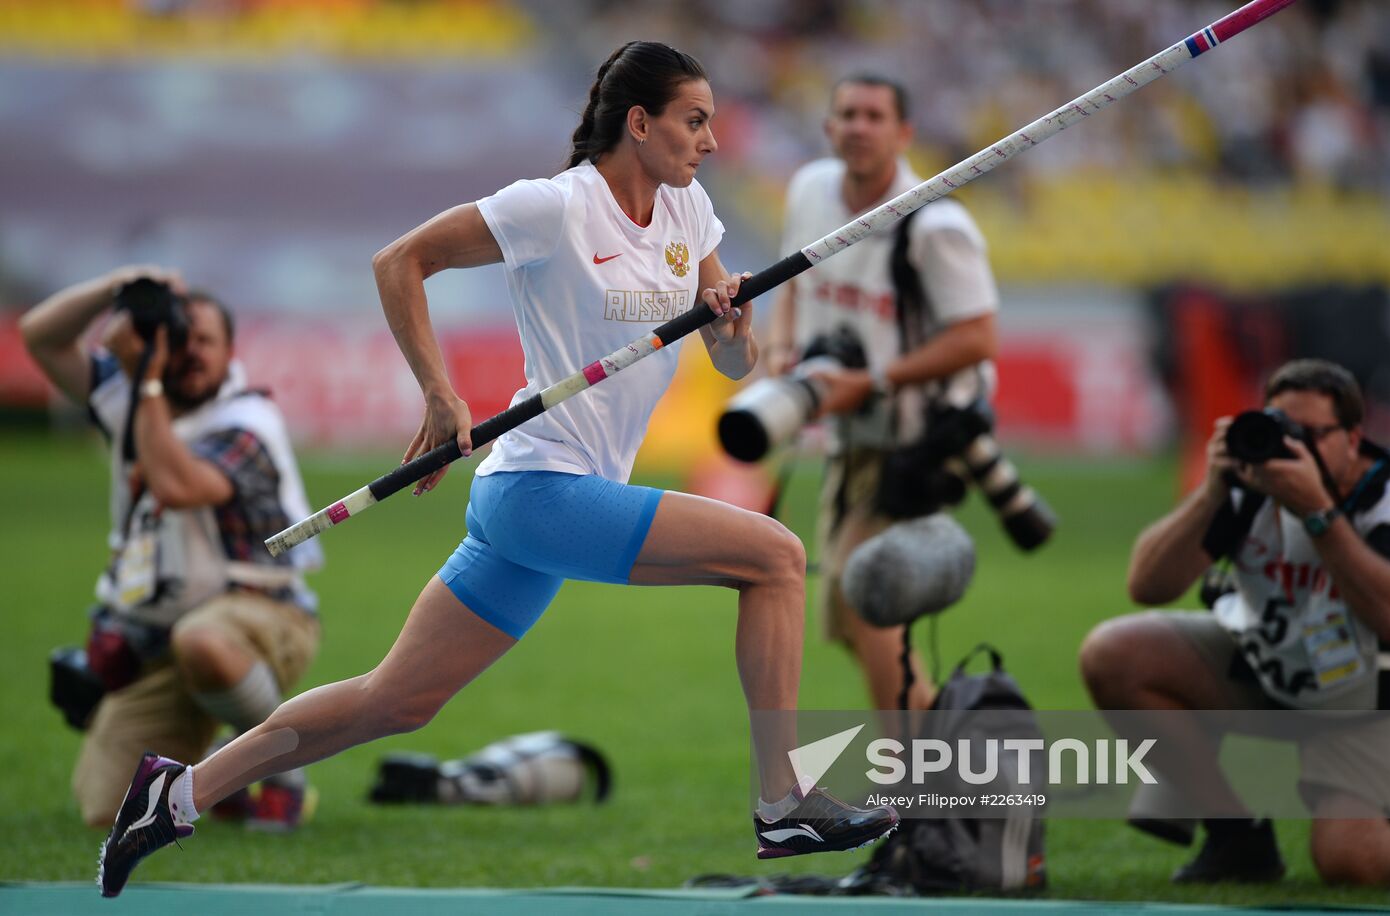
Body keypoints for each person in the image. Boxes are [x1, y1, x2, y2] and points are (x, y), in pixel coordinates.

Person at [95, 41, 898, 898]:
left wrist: (727, 322)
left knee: (393, 701)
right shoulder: (553, 207)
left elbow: (734, 363)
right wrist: (439, 397)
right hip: (538, 488)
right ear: (640, 122)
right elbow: (398, 261)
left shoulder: (690, 212)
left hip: (550, 501)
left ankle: (175, 793)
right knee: (774, 558)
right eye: (693, 121)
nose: (709, 142)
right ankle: (783, 800)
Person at [20, 266, 323, 833]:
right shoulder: (131, 394)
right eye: (179, 337)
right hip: (155, 637)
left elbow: (177, 484)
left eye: (205, 341)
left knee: (204, 642)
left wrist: (146, 378)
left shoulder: (248, 421)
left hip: (260, 618)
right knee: (106, 811)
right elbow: (40, 336)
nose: (191, 353)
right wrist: (119, 289)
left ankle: (280, 770)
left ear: (232, 351)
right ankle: (218, 776)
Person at [1079, 359, 1390, 885]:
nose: (1293, 448)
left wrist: (1319, 513)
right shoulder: (1250, 487)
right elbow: (1148, 585)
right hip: (1278, 667)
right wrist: (1211, 494)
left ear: (1353, 438)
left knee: (1351, 858)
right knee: (1114, 654)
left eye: (1311, 435)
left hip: (1376, 699)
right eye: (1281, 430)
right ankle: (1237, 838)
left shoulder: (1389, 502)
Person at [766, 74, 999, 712]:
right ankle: (945, 769)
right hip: (855, 432)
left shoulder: (935, 222)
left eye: (874, 116)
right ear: (827, 127)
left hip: (920, 435)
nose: (859, 126)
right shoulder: (810, 189)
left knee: (870, 603)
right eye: (847, 114)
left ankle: (918, 792)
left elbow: (979, 339)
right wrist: (786, 353)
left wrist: (870, 383)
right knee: (848, 615)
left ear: (904, 133)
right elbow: (792, 280)